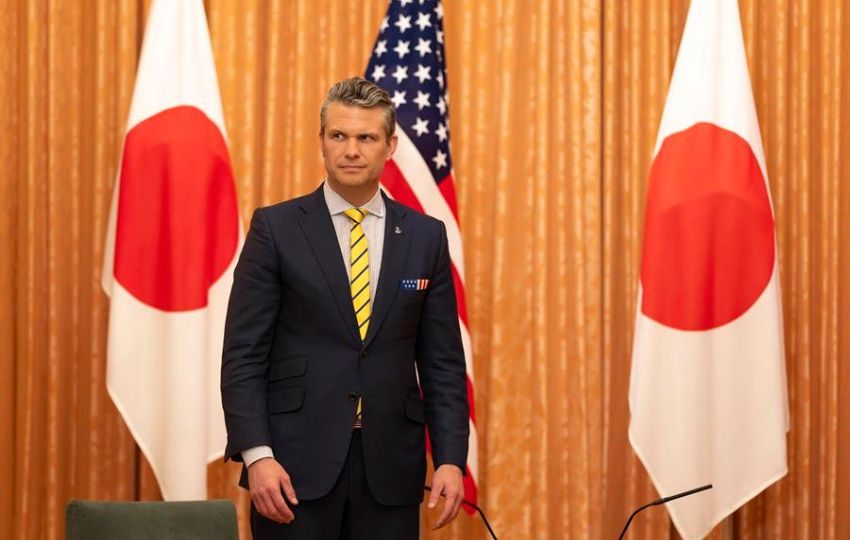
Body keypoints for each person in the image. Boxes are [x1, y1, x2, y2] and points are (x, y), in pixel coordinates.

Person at [220, 77, 470, 540]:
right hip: (290, 471)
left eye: (366, 138)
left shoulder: (426, 237)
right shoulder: (275, 229)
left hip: (390, 473)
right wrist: (257, 456)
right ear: (322, 141)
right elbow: (243, 357)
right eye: (338, 135)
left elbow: (443, 364)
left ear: (390, 146)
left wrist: (452, 459)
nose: (351, 150)